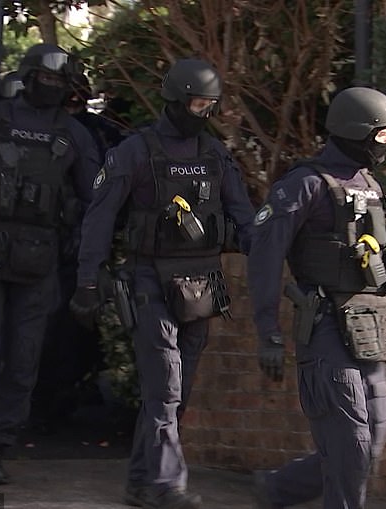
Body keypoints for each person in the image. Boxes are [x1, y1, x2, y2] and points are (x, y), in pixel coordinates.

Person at [247, 86, 386, 508]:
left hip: (372, 332)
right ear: (357, 132)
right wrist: (268, 331)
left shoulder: (370, 186)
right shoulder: (304, 185)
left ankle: (279, 489)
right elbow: (264, 258)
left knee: (369, 442)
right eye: (382, 135)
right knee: (350, 447)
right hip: (325, 332)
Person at [69, 58, 255, 509]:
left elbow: (243, 215)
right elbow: (99, 218)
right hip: (149, 280)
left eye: (209, 105)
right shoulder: (135, 152)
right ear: (173, 100)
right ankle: (166, 485)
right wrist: (87, 281)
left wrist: (271, 256)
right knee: (165, 388)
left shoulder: (215, 154)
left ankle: (140, 479)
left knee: (177, 391)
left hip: (202, 284)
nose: (202, 113)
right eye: (195, 103)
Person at [0, 43, 99, 485]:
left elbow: (94, 204)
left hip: (41, 259)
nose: (53, 87)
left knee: (24, 360)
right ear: (27, 78)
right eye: (46, 78)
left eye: (60, 81)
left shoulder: (75, 136)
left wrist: (86, 263)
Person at [30, 71, 126, 434]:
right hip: (58, 244)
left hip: (70, 246)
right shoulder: (80, 130)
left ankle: (53, 398)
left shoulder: (93, 132)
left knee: (63, 331)